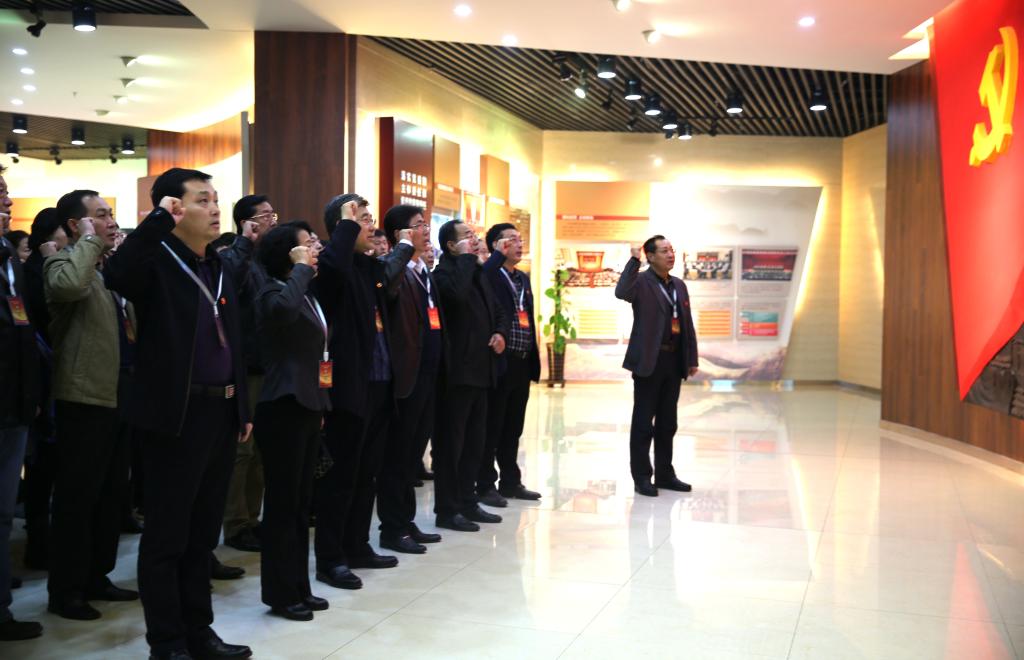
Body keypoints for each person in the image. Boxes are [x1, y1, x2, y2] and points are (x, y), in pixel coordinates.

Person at [104, 168, 253, 660]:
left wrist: (242, 405)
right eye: (202, 200)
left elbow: (234, 339)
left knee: (201, 536)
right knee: (167, 537)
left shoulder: (218, 263)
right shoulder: (156, 260)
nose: (215, 209)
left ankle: (199, 632)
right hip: (175, 414)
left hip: (221, 410)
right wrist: (155, 223)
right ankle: (167, 643)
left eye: (216, 199)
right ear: (174, 207)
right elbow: (116, 276)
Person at [44, 190, 137, 620]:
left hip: (118, 396)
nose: (110, 221)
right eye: (100, 215)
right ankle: (66, 590)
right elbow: (67, 288)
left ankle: (98, 576)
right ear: (76, 224)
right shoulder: (62, 263)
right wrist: (87, 240)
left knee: (111, 495)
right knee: (77, 499)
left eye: (110, 214)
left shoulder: (105, 272)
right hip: (83, 396)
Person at [312, 193, 412, 591]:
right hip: (348, 389)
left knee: (366, 474)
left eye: (369, 218)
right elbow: (333, 270)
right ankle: (330, 559)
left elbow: (390, 274)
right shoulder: (331, 265)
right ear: (342, 226)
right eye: (362, 219)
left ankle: (357, 545)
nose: (371, 225)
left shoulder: (368, 266)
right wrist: (346, 224)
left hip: (379, 385)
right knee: (340, 478)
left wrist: (403, 246)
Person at [252, 223, 330, 621]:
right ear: (288, 253)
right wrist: (300, 270)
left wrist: (321, 402)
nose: (315, 248)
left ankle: (299, 585)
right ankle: (280, 593)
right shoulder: (271, 291)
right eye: (307, 244)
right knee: (283, 505)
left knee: (301, 504)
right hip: (282, 405)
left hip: (308, 403)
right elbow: (281, 314)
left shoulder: (306, 292)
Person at [432, 220, 509, 531]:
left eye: (474, 235)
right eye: (467, 237)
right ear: (451, 246)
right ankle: (447, 509)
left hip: (482, 371)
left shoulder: (476, 271)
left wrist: (500, 333)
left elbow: (499, 310)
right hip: (458, 374)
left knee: (475, 444)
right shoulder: (444, 274)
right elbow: (457, 298)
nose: (475, 240)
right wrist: (466, 260)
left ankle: (468, 501)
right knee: (452, 446)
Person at [376, 205, 444, 554]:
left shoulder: (422, 270)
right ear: (400, 234)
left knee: (414, 454)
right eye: (419, 225)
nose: (426, 230)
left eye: (425, 223)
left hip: (427, 374)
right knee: (398, 456)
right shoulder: (394, 269)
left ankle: (406, 520)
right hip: (406, 376)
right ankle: (392, 527)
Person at [614, 235, 699, 497]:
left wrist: (691, 357)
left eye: (671, 250)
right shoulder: (641, 282)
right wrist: (633, 261)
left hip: (673, 360)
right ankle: (642, 477)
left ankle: (665, 474)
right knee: (643, 423)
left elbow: (687, 323)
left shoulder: (679, 285)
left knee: (668, 422)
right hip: (649, 360)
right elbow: (621, 292)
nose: (670, 255)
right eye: (664, 251)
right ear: (650, 257)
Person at [217, 194, 278, 554]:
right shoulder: (232, 257)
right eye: (265, 216)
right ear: (246, 222)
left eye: (273, 215)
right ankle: (236, 523)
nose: (272, 221)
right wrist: (244, 244)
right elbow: (229, 285)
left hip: (268, 364)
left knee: (260, 452)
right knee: (243, 449)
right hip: (245, 365)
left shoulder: (264, 261)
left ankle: (252, 519)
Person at [0, 166, 43, 641]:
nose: (8, 202)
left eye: (7, 193)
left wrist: (32, 394)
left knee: (2, 512)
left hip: (14, 404)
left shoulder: (9, 258)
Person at [478, 223, 542, 506]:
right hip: (499, 361)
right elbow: (485, 275)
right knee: (493, 425)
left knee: (513, 427)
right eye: (511, 240)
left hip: (522, 360)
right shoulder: (489, 274)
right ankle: (485, 484)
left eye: (520, 239)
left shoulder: (523, 278)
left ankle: (510, 481)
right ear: (496, 246)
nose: (519, 244)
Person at [20, 208, 65, 570]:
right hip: (41, 377)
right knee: (42, 467)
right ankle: (38, 542)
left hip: (52, 374)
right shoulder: (35, 270)